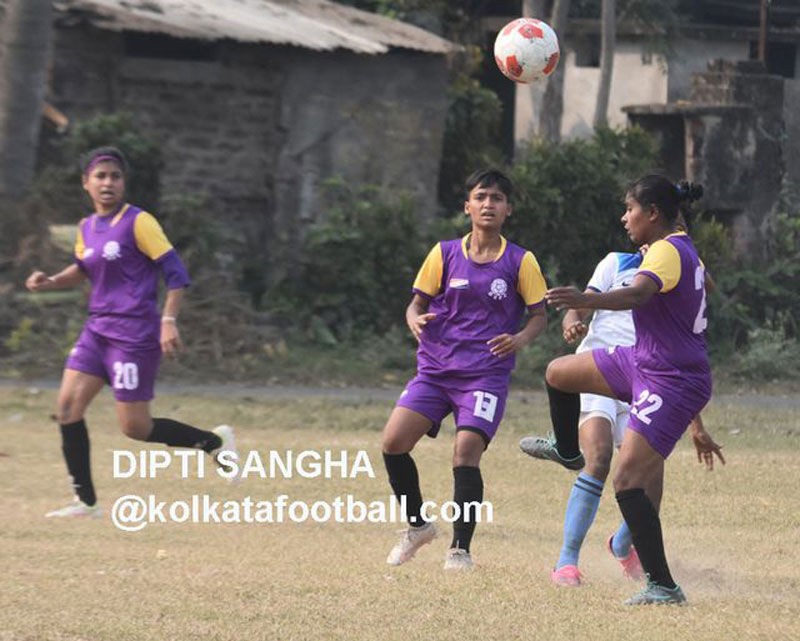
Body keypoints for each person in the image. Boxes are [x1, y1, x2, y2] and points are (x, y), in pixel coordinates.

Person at [521, 175, 724, 605]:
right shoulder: (671, 247)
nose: (624, 216)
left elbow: (636, 296)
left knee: (628, 478)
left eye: (630, 208)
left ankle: (663, 585)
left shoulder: (670, 249)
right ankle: (566, 451)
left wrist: (585, 300)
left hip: (671, 377)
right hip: (641, 359)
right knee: (558, 372)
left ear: (653, 214)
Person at [25, 146, 239, 518]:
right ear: (86, 183)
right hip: (96, 331)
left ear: (123, 183)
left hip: (134, 335)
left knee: (136, 428)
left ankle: (214, 442)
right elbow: (84, 267)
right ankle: (86, 501)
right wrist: (51, 281)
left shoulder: (139, 222)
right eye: (101, 176)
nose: (108, 182)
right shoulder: (86, 227)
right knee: (66, 409)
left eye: (115, 176)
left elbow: (175, 273)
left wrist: (167, 321)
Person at [381, 169, 548, 570]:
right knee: (393, 444)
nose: (488, 204)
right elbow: (415, 304)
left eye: (496, 198)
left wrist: (519, 340)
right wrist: (414, 320)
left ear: (508, 209)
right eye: (481, 197)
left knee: (465, 451)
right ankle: (419, 527)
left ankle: (460, 549)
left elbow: (539, 315)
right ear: (467, 206)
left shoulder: (521, 260)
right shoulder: (444, 253)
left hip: (485, 375)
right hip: (436, 371)